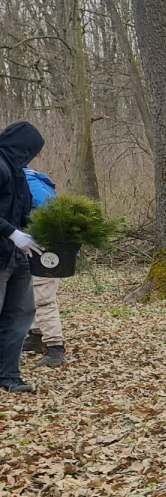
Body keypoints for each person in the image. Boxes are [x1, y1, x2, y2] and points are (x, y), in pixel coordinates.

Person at [0, 121, 45, 393]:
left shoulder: (18, 174)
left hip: (18, 257)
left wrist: (43, 231)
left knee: (19, 316)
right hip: (2, 253)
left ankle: (9, 375)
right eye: (33, 149)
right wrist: (11, 233)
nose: (34, 155)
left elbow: (23, 212)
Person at [19, 167, 65, 367]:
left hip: (46, 250)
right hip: (33, 248)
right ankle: (36, 336)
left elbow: (50, 216)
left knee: (43, 298)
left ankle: (55, 348)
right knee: (30, 293)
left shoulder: (31, 183)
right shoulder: (27, 179)